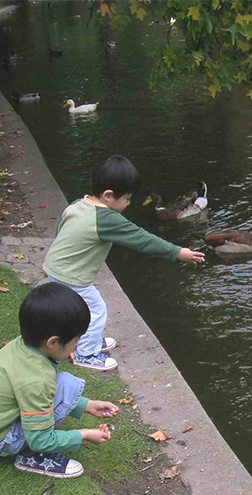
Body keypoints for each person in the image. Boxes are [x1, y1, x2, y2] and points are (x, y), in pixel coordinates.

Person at [43, 155, 205, 371]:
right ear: (109, 195)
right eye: (127, 199)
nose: (129, 203)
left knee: (80, 308)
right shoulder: (106, 218)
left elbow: (62, 229)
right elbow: (141, 239)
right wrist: (178, 252)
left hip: (56, 267)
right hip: (70, 275)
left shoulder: (78, 204)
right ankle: (86, 353)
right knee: (95, 309)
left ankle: (86, 340)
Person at [0, 282, 120, 479]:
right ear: (53, 342)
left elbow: (35, 396)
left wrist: (87, 406)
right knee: (67, 384)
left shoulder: (23, 346)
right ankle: (30, 457)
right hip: (1, 439)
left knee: (63, 384)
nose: (77, 345)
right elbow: (40, 439)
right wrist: (84, 434)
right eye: (76, 340)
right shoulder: (37, 380)